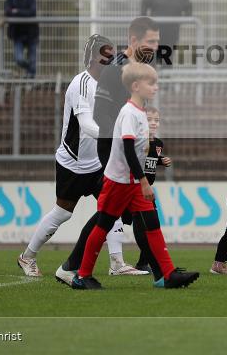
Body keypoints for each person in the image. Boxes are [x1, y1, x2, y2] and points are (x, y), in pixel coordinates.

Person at [19, 34, 142, 279]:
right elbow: (86, 125)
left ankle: (116, 262)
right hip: (73, 162)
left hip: (98, 161)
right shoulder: (81, 83)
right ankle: (27, 256)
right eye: (108, 54)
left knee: (112, 206)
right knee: (63, 212)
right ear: (96, 57)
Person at [71, 63, 199, 290]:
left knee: (152, 223)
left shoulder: (140, 112)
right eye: (151, 83)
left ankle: (167, 274)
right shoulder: (129, 112)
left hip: (132, 182)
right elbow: (128, 150)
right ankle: (82, 275)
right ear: (136, 86)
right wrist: (143, 182)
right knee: (103, 225)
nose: (156, 87)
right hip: (119, 182)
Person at [54, 17, 161, 282]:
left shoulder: (134, 70)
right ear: (133, 40)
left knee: (125, 211)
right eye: (150, 41)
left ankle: (162, 272)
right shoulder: (115, 70)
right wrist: (122, 145)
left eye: (157, 42)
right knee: (119, 212)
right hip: (113, 151)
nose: (155, 47)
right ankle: (161, 272)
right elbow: (102, 116)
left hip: (123, 150)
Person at [133, 106, 173, 271]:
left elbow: (149, 160)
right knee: (106, 223)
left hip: (146, 191)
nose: (154, 123)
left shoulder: (158, 143)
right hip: (133, 189)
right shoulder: (136, 140)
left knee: (149, 225)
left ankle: (143, 263)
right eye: (149, 119)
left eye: (156, 120)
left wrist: (160, 160)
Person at [140, 0, 192, 65]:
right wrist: (144, 17)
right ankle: (152, 75)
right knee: (153, 53)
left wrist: (186, 18)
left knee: (168, 54)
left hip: (173, 31)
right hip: (155, 31)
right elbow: (145, 3)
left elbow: (188, 7)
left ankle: (166, 77)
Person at [4, 0, 38, 78]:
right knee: (19, 59)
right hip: (17, 34)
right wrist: (23, 12)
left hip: (31, 33)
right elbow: (7, 12)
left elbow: (32, 12)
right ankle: (29, 69)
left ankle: (30, 82)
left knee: (32, 58)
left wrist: (16, 11)